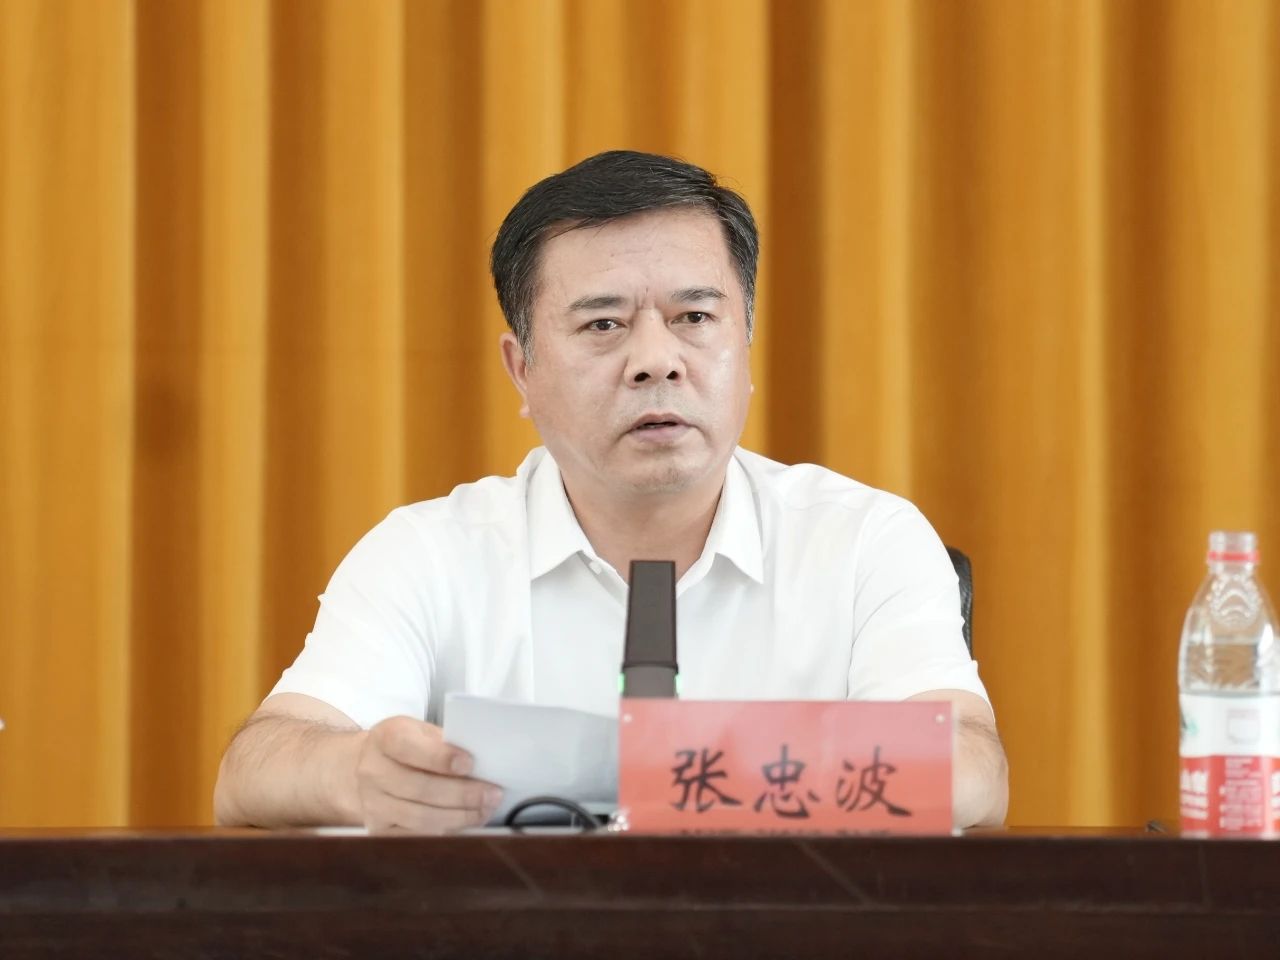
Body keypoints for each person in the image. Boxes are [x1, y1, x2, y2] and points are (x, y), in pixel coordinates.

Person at [214, 150, 1008, 833]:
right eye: (603, 325)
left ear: (746, 343)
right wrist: (359, 772)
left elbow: (973, 773)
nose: (656, 360)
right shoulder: (427, 553)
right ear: (521, 371)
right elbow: (254, 770)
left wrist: (694, 772)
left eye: (694, 316)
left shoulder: (865, 539)